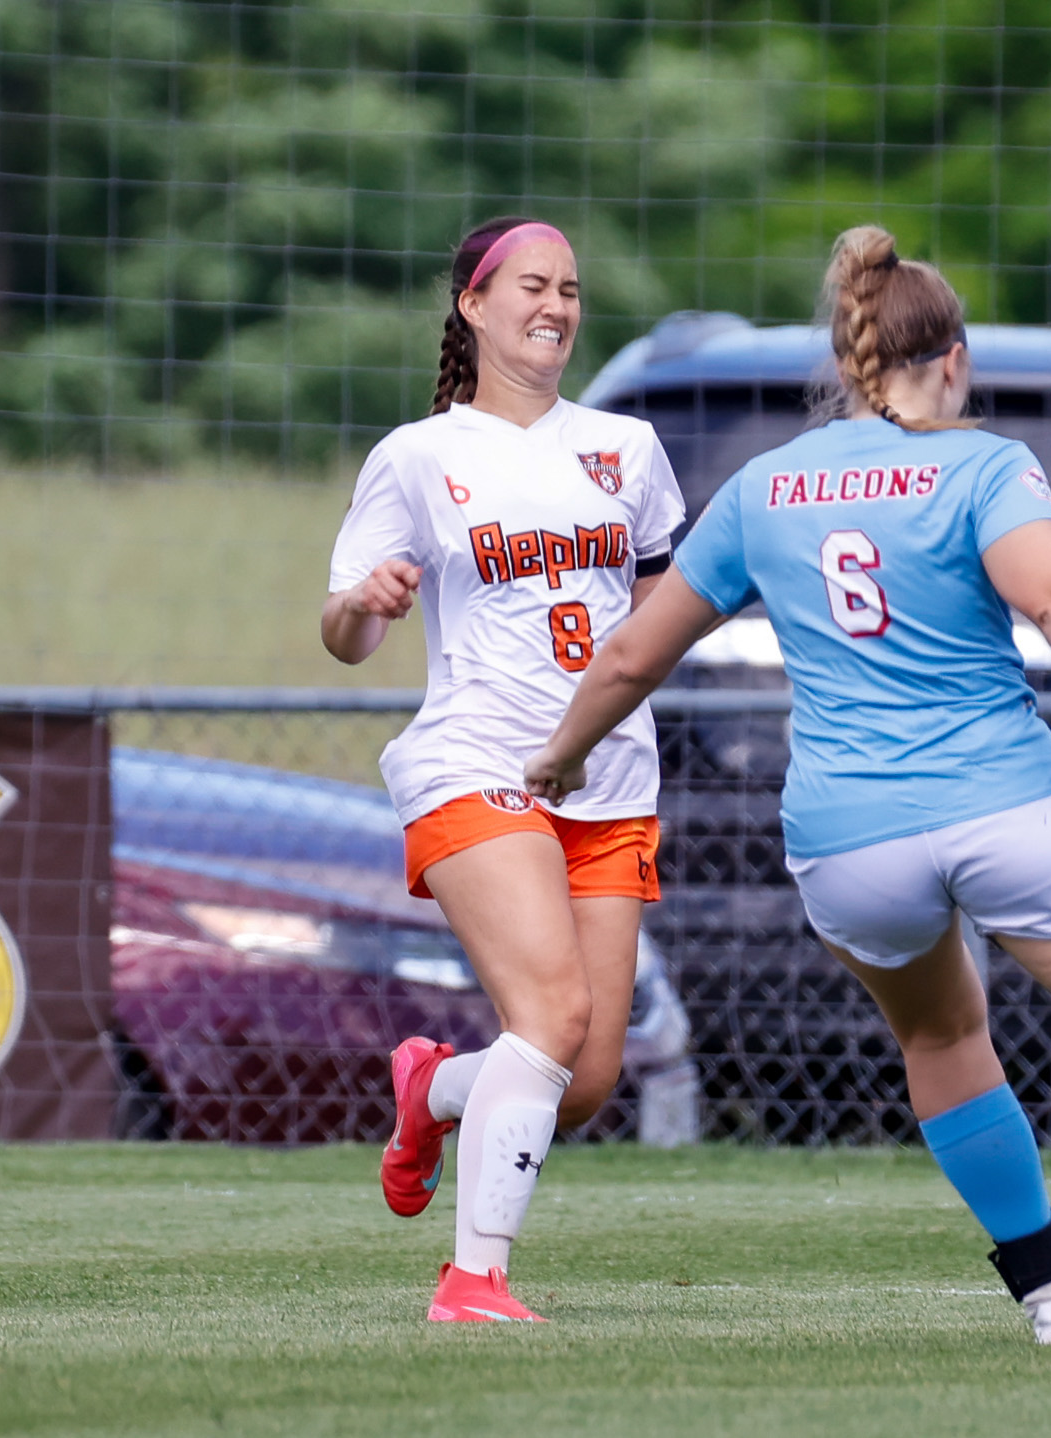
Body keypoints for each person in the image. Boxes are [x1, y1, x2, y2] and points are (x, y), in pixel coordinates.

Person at [523, 225, 1051, 1344]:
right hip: (1006, 805)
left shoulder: (764, 486)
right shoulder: (986, 467)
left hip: (849, 836)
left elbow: (629, 656)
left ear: (846, 359)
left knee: (945, 1042)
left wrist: (560, 756)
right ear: (953, 360)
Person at [322, 216, 685, 1323]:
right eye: (532, 285)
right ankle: (472, 1281)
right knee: (551, 1010)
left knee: (584, 1076)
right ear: (472, 305)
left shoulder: (627, 449)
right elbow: (343, 637)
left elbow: (657, 619)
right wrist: (366, 602)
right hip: (475, 760)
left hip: (608, 781)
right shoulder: (418, 455)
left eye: (569, 288)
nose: (556, 306)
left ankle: (431, 1085)